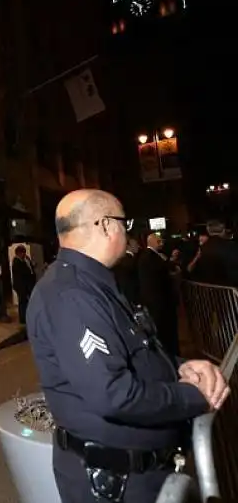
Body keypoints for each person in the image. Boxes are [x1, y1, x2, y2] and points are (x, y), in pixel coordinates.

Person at [28, 189, 230, 503]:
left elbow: (132, 351)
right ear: (105, 225)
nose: (128, 230)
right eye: (125, 223)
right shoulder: (72, 295)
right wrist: (195, 396)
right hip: (118, 483)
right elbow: (114, 394)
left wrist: (179, 366)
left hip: (135, 472)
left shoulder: (95, 282)